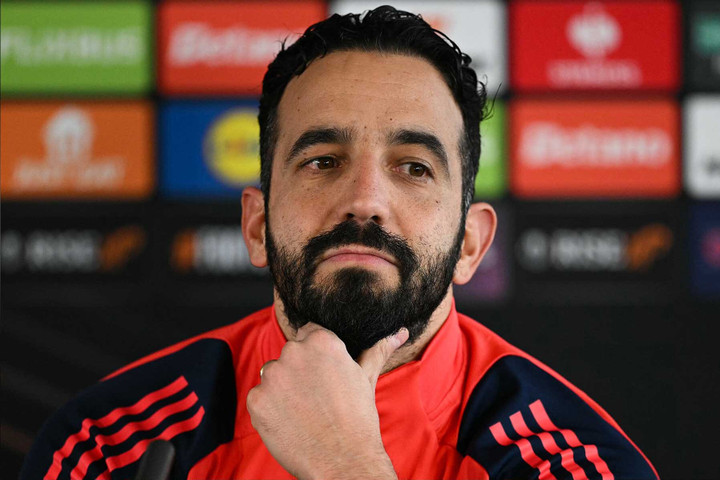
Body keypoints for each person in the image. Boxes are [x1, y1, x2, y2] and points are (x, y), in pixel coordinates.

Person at [22, 6, 658, 480]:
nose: (365, 199)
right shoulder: (109, 447)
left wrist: (346, 466)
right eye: (323, 160)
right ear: (256, 226)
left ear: (470, 244)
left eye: (413, 167)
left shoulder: (575, 463)